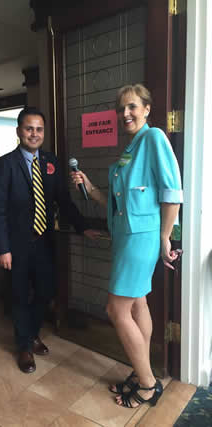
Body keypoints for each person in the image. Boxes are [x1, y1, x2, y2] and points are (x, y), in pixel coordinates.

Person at [71, 84, 183, 408]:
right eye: (121, 109)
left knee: (115, 309)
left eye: (132, 107)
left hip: (141, 237)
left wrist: (165, 238)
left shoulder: (153, 138)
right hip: (126, 236)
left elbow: (172, 192)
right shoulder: (131, 149)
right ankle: (142, 369)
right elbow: (118, 203)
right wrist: (90, 189)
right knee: (137, 305)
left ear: (147, 108)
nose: (125, 114)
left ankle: (148, 385)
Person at [0, 107, 99, 374]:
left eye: (39, 129)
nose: (34, 134)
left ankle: (32, 333)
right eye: (29, 128)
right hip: (15, 245)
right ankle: (24, 345)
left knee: (46, 291)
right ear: (18, 132)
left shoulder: (50, 161)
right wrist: (2, 249)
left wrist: (82, 226)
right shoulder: (5, 165)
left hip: (44, 241)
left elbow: (63, 199)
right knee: (18, 296)